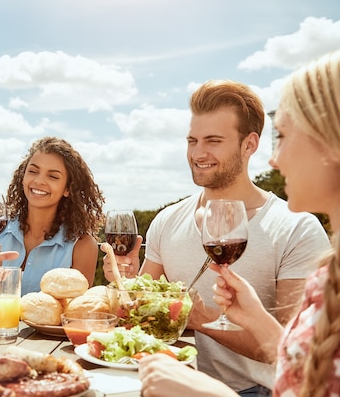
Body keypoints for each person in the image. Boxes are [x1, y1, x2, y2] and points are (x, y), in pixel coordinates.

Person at [105, 79, 331, 395]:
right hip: (169, 378)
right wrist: (124, 280)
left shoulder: (296, 228)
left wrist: (204, 319)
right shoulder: (168, 220)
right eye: (192, 140)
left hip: (252, 390)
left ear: (249, 144)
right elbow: (137, 315)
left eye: (213, 140)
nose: (198, 153)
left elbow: (293, 353)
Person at [0, 136, 105, 303]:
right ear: (23, 177)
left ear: (68, 188)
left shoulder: (82, 245)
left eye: (52, 176)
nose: (39, 180)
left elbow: (76, 313)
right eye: (33, 171)